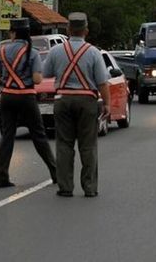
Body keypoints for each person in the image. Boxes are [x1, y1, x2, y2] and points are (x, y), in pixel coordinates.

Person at [43, 13, 111, 197]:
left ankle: (65, 187)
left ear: (68, 30)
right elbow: (102, 82)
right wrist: (107, 104)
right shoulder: (94, 52)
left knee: (64, 145)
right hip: (87, 102)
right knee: (88, 145)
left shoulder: (56, 51)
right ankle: (89, 188)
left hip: (63, 101)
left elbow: (45, 73)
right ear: (86, 31)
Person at [0, 18, 57, 188]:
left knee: (7, 136)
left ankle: (0, 176)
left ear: (13, 33)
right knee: (39, 135)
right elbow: (37, 79)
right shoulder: (32, 52)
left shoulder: (3, 51)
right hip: (26, 97)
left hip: (6, 97)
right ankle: (55, 172)